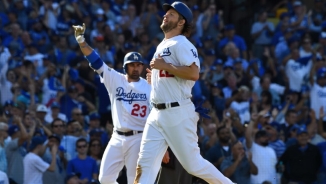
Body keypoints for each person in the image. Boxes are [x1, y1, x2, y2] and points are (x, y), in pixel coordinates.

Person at [133, 2, 233, 183]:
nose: (166, 16)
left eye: (171, 14)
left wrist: (164, 66)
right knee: (145, 164)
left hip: (176, 112)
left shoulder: (182, 43)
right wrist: (155, 80)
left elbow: (193, 73)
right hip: (157, 114)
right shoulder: (164, 43)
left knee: (193, 165)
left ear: (181, 22)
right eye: (166, 13)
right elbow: (172, 75)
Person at [72, 22, 151, 184]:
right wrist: (81, 41)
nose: (135, 68)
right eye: (132, 65)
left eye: (138, 65)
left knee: (134, 180)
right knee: (105, 178)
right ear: (125, 67)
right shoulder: (115, 79)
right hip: (117, 136)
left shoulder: (150, 86)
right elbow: (95, 61)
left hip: (139, 137)